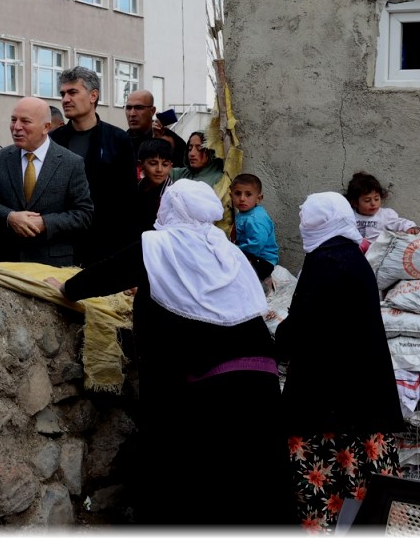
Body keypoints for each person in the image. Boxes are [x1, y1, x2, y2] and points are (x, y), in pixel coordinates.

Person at [45, 180, 293, 525]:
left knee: (204, 482)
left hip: (215, 386)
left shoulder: (160, 244)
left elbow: (106, 273)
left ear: (171, 208)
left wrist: (65, 288)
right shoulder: (225, 249)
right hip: (261, 376)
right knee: (258, 478)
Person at [277, 191, 405, 531]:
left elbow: (302, 322)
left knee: (323, 488)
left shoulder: (325, 260)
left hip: (326, 400)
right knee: (363, 487)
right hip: (361, 394)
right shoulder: (351, 255)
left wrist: (277, 341)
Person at [0, 97, 92, 266]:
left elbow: (83, 214)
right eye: (13, 120)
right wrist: (10, 217)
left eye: (25, 121)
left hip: (51, 264)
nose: (16, 127)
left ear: (46, 127)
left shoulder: (71, 163)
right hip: (4, 261)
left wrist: (44, 223)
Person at [50, 66, 136, 266]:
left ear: (93, 95)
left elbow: (128, 200)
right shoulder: (53, 141)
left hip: (105, 246)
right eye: (63, 94)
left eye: (73, 92)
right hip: (61, 245)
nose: (65, 99)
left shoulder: (117, 140)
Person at [346, 171, 420, 242]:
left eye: (376, 199)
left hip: (378, 248)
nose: (373, 203)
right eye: (367, 200)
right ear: (355, 203)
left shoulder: (385, 215)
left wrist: (410, 227)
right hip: (355, 248)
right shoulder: (350, 215)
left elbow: (398, 222)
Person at [230, 173, 278, 281]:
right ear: (231, 196)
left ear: (258, 198)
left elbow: (256, 244)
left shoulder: (256, 219)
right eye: (237, 193)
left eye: (248, 195)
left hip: (262, 261)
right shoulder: (244, 213)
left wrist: (233, 251)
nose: (242, 199)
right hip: (250, 255)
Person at [133, 138, 174, 237]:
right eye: (153, 163)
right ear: (140, 165)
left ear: (171, 166)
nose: (159, 169)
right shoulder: (134, 188)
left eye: (165, 164)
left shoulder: (174, 197)